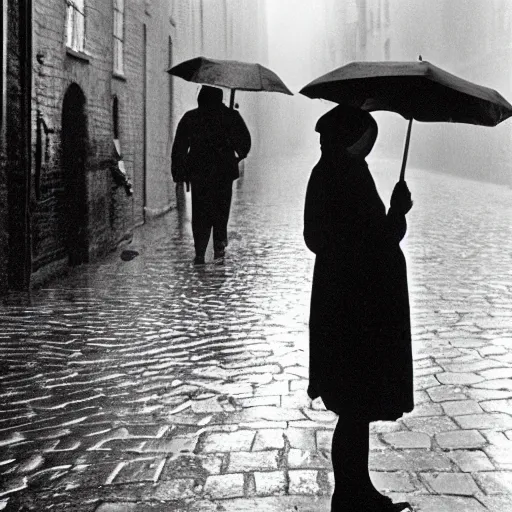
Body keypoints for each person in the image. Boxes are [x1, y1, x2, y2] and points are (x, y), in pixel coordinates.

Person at [304, 105, 414, 512]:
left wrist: (387, 219)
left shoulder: (330, 170)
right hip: (356, 305)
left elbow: (327, 236)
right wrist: (397, 212)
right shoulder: (344, 174)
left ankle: (355, 488)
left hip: (343, 299)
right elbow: (375, 239)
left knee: (355, 406)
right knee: (354, 403)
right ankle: (350, 494)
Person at [171, 85, 251, 264]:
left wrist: (179, 172)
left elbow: (180, 147)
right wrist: (236, 156)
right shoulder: (230, 117)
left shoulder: (191, 118)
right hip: (223, 175)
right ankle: (219, 250)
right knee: (221, 213)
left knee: (200, 213)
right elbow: (245, 143)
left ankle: (200, 252)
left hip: (200, 175)